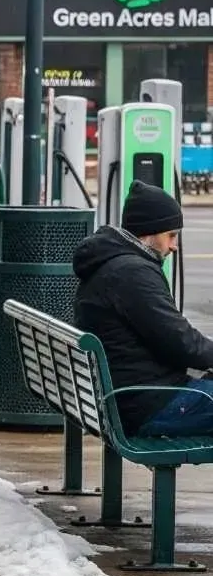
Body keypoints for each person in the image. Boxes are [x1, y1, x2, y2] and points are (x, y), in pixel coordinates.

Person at [74, 181, 213, 437]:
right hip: (148, 405)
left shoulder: (112, 263)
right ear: (149, 232)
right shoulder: (132, 273)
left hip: (127, 397)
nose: (174, 246)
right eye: (170, 235)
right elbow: (181, 342)